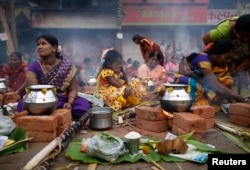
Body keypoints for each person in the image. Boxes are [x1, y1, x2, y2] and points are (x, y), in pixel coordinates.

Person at [17, 34, 91, 119]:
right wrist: (50, 102)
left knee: (84, 106)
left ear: (54, 48)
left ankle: (59, 114)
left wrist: (69, 103)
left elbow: (73, 89)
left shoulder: (67, 66)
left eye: (43, 44)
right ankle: (59, 114)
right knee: (21, 105)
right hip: (42, 100)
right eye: (38, 44)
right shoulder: (34, 66)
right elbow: (33, 92)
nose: (39, 47)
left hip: (63, 99)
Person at [176, 40, 250, 112]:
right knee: (193, 87)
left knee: (228, 81)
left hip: (203, 87)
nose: (227, 61)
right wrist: (241, 98)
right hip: (188, 86)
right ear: (216, 54)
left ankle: (212, 102)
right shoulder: (203, 59)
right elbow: (215, 85)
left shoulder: (215, 64)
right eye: (226, 57)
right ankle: (192, 106)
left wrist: (233, 100)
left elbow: (220, 84)